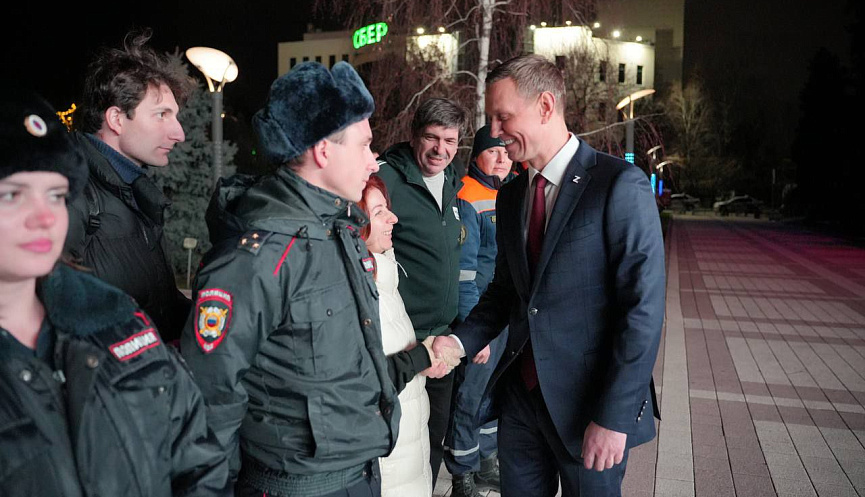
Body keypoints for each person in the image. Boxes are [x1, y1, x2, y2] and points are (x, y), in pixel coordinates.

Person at [434, 54, 665, 496]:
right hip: (521, 403)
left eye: (503, 117)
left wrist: (614, 418)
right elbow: (506, 292)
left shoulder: (619, 185)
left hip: (589, 409)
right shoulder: (512, 196)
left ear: (544, 106)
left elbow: (642, 311)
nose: (494, 131)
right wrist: (459, 343)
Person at [181, 61, 398, 497]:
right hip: (295, 485)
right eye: (364, 145)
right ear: (323, 151)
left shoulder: (341, 231)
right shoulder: (256, 258)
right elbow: (211, 392)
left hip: (357, 474)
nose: (373, 159)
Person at [0, 91, 230, 497]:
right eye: (12, 194)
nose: (45, 217)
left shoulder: (116, 319)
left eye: (56, 195)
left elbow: (197, 458)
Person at [64, 29, 192, 342]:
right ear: (117, 119)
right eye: (162, 115)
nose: (179, 133)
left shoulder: (138, 194)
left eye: (175, 116)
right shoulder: (69, 192)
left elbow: (161, 305)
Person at [376, 97, 469, 485]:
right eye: (432, 137)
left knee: (431, 445)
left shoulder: (452, 180)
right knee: (399, 452)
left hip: (441, 341)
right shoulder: (386, 179)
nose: (440, 150)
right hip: (404, 345)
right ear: (414, 135)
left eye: (450, 141)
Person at [357, 176, 457, 497]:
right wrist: (421, 356)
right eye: (378, 212)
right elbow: (363, 381)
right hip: (388, 463)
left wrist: (422, 362)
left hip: (407, 452)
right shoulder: (359, 290)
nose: (393, 218)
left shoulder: (384, 276)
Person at [445, 125, 514, 497]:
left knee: (493, 391)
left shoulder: (508, 192)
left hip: (505, 315)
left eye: (506, 151)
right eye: (493, 151)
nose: (502, 158)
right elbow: (465, 273)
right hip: (482, 317)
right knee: (470, 396)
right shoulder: (467, 196)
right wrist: (476, 331)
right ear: (477, 157)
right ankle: (462, 474)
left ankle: (487, 463)